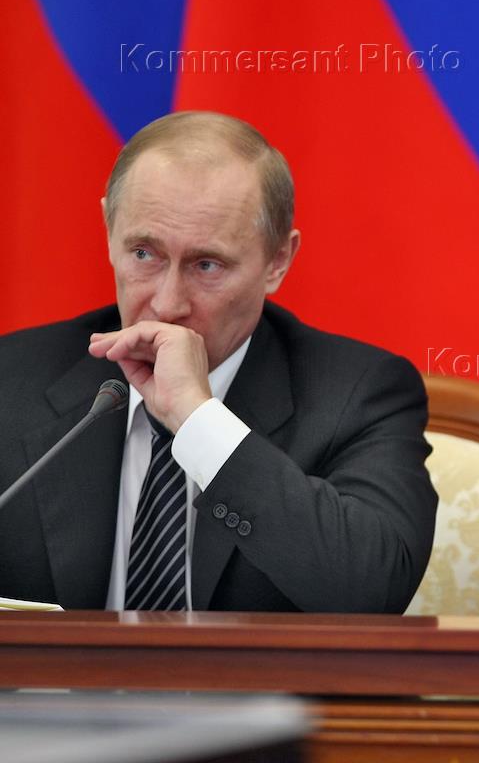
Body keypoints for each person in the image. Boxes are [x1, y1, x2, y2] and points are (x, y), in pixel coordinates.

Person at [0, 111, 437, 612]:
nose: (167, 304)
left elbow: (372, 592)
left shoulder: (360, 395)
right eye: (143, 254)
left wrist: (198, 419)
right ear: (108, 230)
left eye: (207, 265)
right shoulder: (11, 380)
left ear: (278, 261)